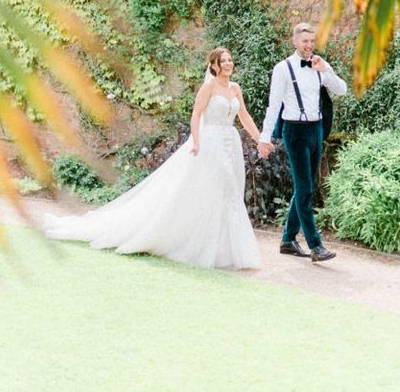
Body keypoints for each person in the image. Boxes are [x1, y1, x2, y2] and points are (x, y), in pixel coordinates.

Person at [43, 48, 262, 270]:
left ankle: (227, 250)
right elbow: (196, 114)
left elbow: (243, 115)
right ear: (214, 66)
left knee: (230, 191)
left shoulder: (235, 89)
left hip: (230, 143)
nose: (228, 64)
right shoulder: (209, 87)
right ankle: (203, 245)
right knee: (212, 190)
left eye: (230, 60)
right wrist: (196, 141)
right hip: (210, 142)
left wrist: (259, 139)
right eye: (223, 61)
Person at [258, 22, 347, 263]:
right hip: (294, 132)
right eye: (304, 41)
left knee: (304, 187)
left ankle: (287, 240)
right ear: (295, 42)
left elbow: (342, 90)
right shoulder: (282, 69)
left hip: (316, 130)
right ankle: (316, 245)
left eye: (311, 41)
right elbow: (274, 105)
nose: (309, 45)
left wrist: (325, 70)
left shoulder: (319, 65)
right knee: (306, 188)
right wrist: (264, 138)